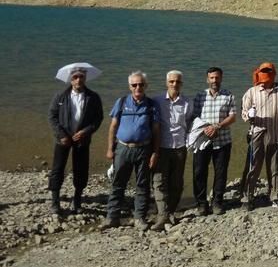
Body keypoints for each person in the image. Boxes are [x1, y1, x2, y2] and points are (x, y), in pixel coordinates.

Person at [102, 72, 161, 230]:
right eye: (134, 85)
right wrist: (110, 149)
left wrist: (155, 153)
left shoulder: (152, 105)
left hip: (144, 149)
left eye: (141, 84)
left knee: (142, 185)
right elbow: (113, 127)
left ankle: (139, 218)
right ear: (129, 87)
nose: (138, 88)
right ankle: (112, 217)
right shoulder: (121, 102)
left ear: (146, 86)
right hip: (122, 148)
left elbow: (156, 131)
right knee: (118, 183)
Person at [47, 65, 104, 215]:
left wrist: (86, 131)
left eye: (81, 77)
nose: (78, 79)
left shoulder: (94, 97)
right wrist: (61, 135)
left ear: (85, 78)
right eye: (75, 77)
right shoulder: (60, 96)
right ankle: (55, 200)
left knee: (81, 169)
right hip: (63, 139)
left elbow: (98, 118)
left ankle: (77, 198)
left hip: (82, 139)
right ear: (70, 79)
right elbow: (52, 117)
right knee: (57, 169)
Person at [241, 62, 278, 210]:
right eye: (264, 71)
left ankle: (276, 196)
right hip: (257, 133)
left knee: (275, 166)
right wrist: (248, 115)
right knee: (253, 165)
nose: (266, 73)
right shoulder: (252, 92)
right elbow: (244, 112)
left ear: (274, 73)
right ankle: (247, 197)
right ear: (259, 72)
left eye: (269, 71)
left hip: (276, 133)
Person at [151, 70, 192, 230]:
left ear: (181, 84)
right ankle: (162, 215)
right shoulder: (157, 101)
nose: (175, 84)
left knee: (177, 182)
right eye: (172, 81)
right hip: (161, 147)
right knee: (159, 181)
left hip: (180, 148)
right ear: (167, 83)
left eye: (178, 82)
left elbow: (189, 124)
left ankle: (171, 211)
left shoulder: (187, 103)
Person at [192, 67, 236, 216]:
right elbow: (194, 117)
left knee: (221, 173)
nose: (214, 81)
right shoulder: (199, 96)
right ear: (207, 79)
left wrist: (217, 126)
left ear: (221, 78)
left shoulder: (228, 95)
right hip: (202, 140)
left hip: (223, 141)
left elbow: (232, 117)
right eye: (211, 78)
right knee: (199, 172)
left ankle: (217, 202)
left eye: (217, 78)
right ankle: (201, 204)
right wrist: (204, 129)